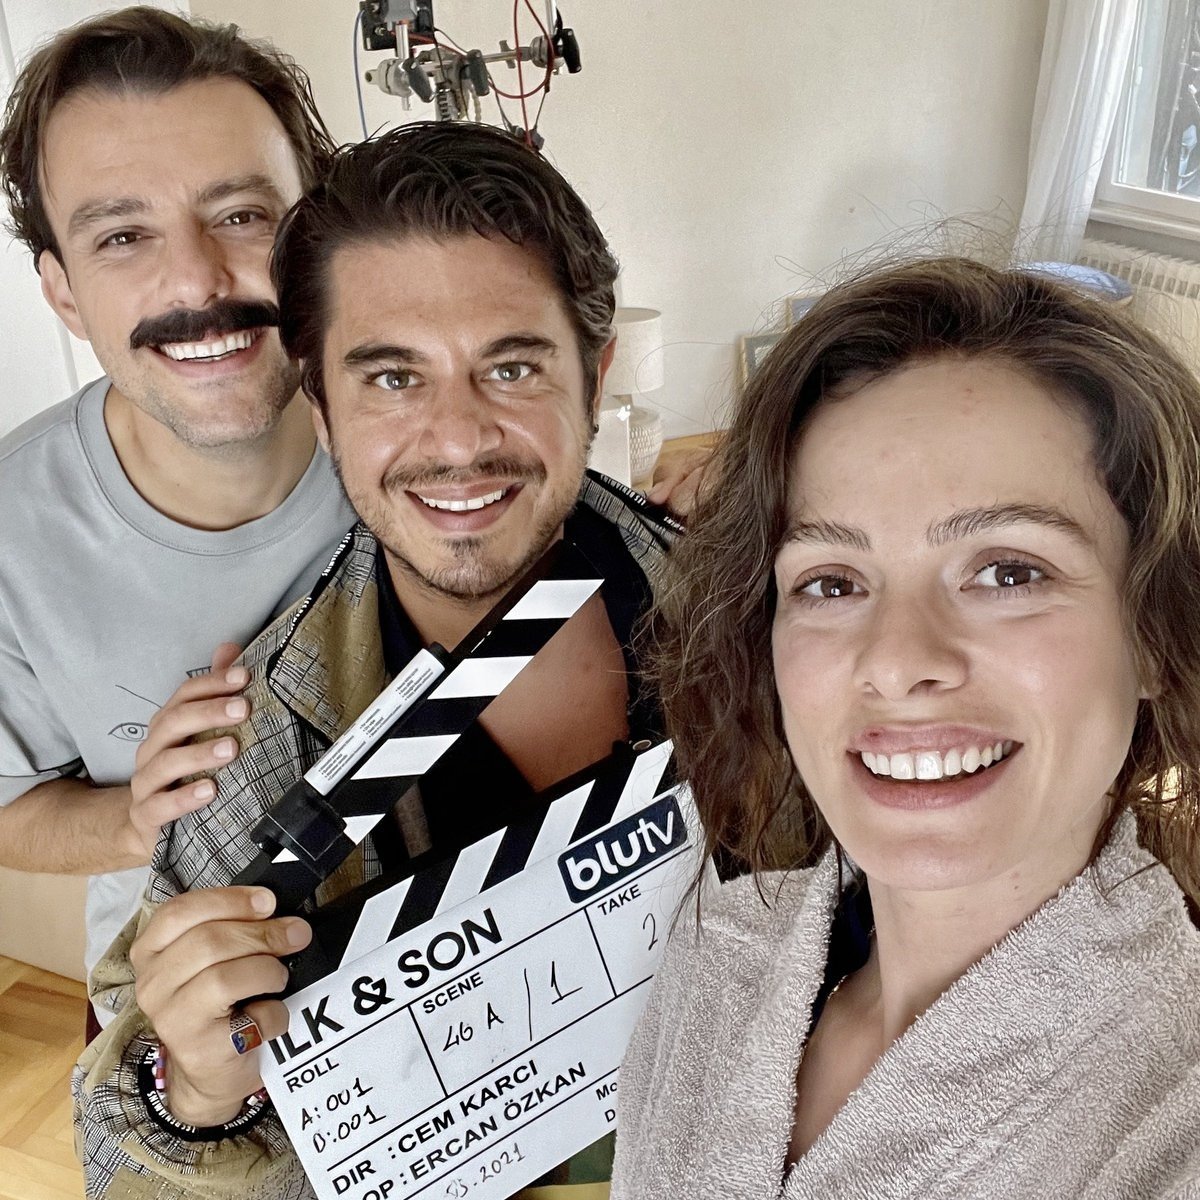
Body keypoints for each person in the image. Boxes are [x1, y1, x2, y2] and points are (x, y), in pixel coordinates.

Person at [75, 121, 680, 1200]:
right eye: (393, 378)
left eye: (512, 367)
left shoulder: (765, 624)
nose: (458, 439)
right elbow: (117, 1163)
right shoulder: (243, 759)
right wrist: (198, 1095)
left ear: (594, 376)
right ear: (320, 408)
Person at [611, 258, 1200, 1198]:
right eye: (831, 582)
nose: (896, 660)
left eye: (1008, 572)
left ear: (1159, 635)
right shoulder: (717, 953)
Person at [0, 7, 353, 1026]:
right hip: (178, 1023)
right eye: (122, 236)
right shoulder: (11, 533)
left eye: (241, 215)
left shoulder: (425, 444)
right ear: (65, 295)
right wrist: (132, 820)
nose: (196, 279)